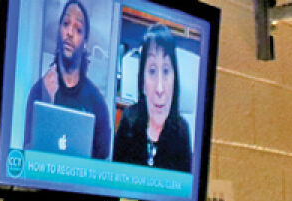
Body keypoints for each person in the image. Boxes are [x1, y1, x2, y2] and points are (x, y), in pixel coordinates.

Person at [23, 0, 112, 160]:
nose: (69, 33)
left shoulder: (97, 102)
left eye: (78, 29)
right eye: (65, 24)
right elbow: (28, 154)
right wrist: (47, 101)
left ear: (85, 42)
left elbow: (101, 163)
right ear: (59, 31)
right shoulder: (39, 90)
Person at [112, 25, 192, 171]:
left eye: (166, 71)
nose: (160, 89)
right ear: (142, 81)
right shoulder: (129, 121)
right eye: (152, 71)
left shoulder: (182, 132)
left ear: (175, 80)